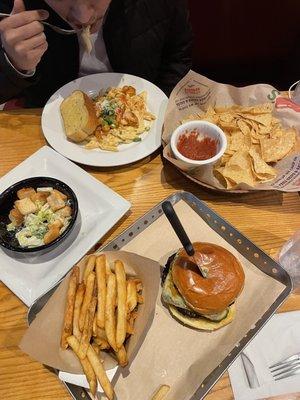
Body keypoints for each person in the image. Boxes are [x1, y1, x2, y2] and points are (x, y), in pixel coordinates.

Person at [0, 0, 192, 107]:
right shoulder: (12, 8)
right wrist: (15, 66)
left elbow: (178, 56)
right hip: (47, 132)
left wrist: (160, 109)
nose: (83, 17)